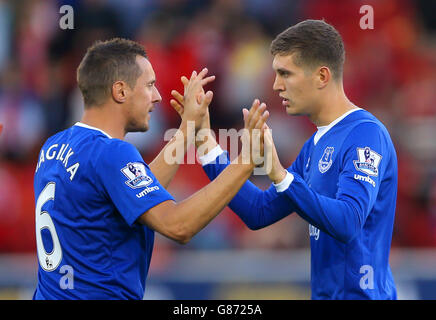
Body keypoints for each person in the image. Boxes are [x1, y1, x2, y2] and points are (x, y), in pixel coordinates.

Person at [172, 20, 398, 299]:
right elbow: (259, 211)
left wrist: (278, 173)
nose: (276, 85)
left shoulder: (365, 133)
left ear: (322, 76)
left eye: (285, 73)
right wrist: (204, 140)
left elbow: (348, 222)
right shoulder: (315, 146)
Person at [33, 38, 269, 299]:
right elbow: (177, 226)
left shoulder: (53, 146)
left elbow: (136, 195)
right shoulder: (112, 152)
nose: (158, 97)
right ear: (120, 91)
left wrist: (188, 127)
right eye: (149, 86)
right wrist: (246, 161)